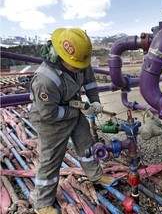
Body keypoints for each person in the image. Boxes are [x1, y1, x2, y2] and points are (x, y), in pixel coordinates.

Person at [29, 28, 115, 214]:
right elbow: (49, 114)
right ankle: (42, 204)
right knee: (51, 160)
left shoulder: (80, 61)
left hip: (72, 111)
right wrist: (76, 109)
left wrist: (95, 102)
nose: (81, 67)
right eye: (77, 64)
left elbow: (90, 81)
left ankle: (95, 175)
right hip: (50, 121)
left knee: (86, 146)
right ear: (62, 57)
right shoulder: (45, 80)